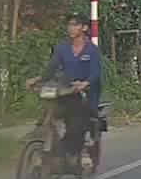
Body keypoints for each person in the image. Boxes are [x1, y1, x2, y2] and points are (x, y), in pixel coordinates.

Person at [27, 13, 101, 166]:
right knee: (49, 114)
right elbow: (51, 68)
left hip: (85, 96)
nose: (71, 28)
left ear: (84, 28)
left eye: (75, 25)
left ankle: (81, 149)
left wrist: (85, 83)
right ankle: (49, 148)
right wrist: (37, 79)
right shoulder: (62, 48)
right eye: (69, 25)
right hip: (66, 92)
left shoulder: (91, 50)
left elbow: (95, 73)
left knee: (76, 125)